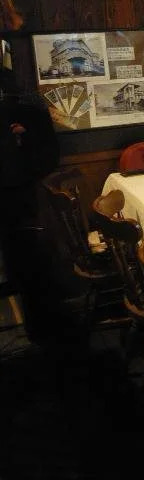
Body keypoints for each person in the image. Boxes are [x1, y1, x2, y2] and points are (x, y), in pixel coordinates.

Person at [1, 45, 59, 334]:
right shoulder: (27, 101)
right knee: (26, 257)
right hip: (22, 188)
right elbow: (49, 153)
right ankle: (36, 323)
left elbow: (48, 152)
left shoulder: (24, 103)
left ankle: (34, 324)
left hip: (19, 189)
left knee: (23, 258)